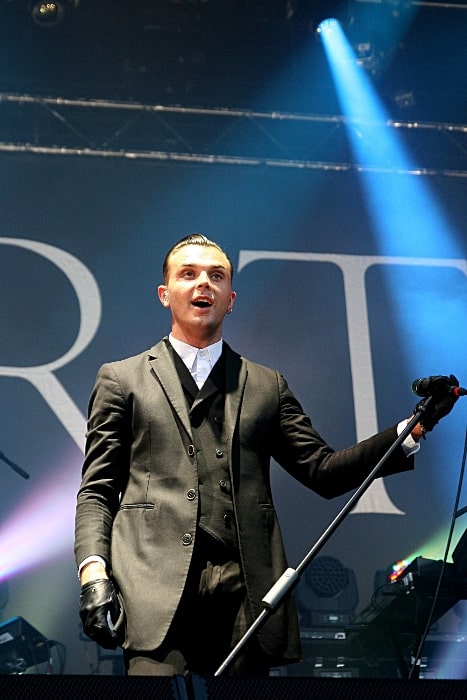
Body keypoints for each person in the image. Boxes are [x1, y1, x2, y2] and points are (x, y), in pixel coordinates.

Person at [74, 233, 457, 677]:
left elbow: (325, 471)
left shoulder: (265, 385)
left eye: (217, 276)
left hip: (246, 602)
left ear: (230, 299)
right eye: (189, 274)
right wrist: (93, 576)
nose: (204, 285)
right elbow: (97, 491)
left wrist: (414, 426)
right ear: (165, 295)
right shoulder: (123, 379)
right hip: (155, 596)